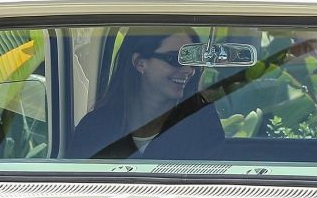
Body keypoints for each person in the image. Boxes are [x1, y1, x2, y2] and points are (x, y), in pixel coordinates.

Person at [68, 31, 224, 160]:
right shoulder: (95, 127)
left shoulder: (202, 124)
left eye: (192, 62)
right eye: (174, 59)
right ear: (139, 63)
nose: (189, 70)